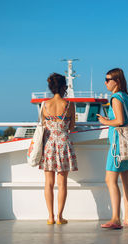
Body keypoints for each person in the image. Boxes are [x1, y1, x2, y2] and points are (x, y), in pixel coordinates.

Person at [97, 68, 128, 229]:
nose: (105, 82)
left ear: (117, 81)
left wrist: (105, 121)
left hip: (117, 145)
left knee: (110, 180)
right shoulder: (126, 97)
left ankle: (115, 219)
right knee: (126, 180)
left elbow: (119, 121)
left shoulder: (115, 97)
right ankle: (127, 217)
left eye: (108, 79)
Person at [40, 73, 78, 225]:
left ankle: (50, 217)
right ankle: (60, 217)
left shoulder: (45, 105)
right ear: (64, 87)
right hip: (63, 144)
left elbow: (44, 124)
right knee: (62, 183)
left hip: (49, 145)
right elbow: (72, 126)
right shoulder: (69, 105)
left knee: (48, 183)